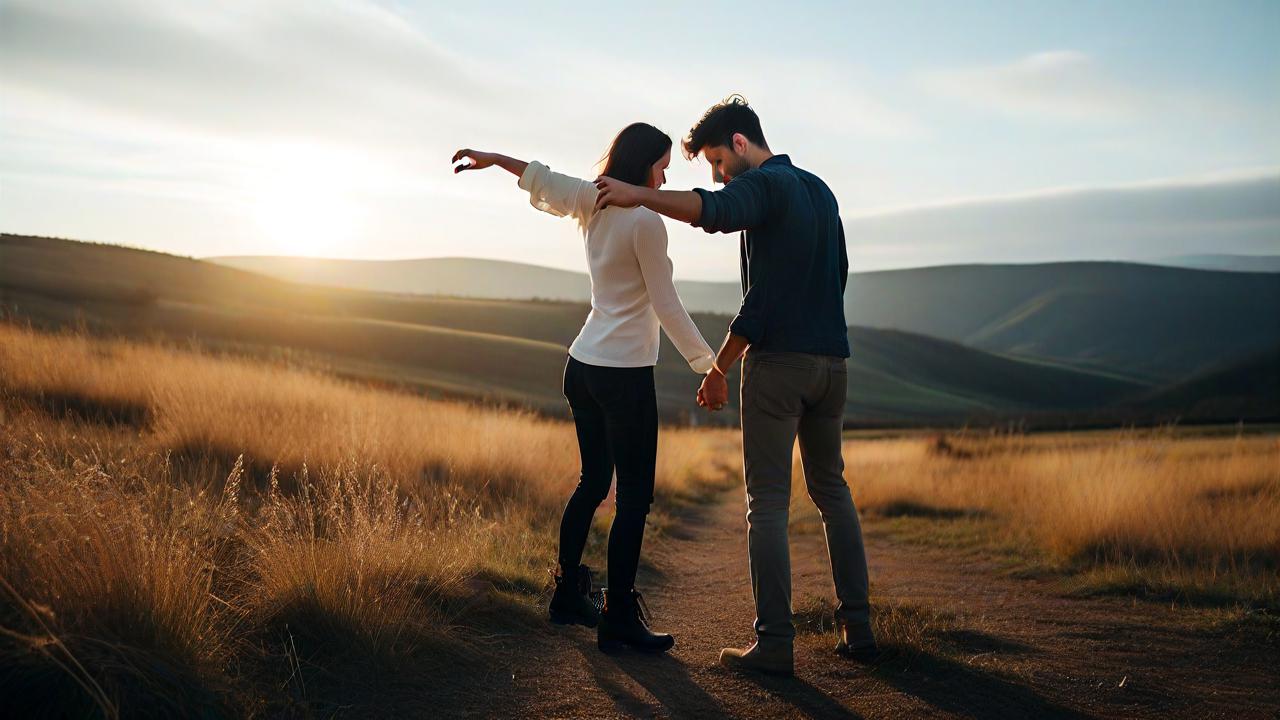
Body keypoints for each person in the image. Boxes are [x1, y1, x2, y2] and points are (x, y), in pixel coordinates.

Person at [594, 96, 877, 676]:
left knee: (767, 503)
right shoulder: (821, 191)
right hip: (834, 364)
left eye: (720, 160)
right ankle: (859, 626)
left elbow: (715, 214)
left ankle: (774, 642)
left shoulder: (768, 186)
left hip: (779, 369)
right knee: (832, 491)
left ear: (741, 144)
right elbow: (838, 274)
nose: (720, 174)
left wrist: (638, 193)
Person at [452, 123, 714, 654]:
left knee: (594, 482)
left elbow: (541, 178)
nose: (666, 175)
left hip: (582, 366)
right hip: (622, 376)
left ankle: (568, 594)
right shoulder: (645, 222)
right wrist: (708, 363)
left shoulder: (592, 200)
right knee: (634, 498)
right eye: (663, 165)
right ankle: (618, 617)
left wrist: (492, 157)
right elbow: (666, 304)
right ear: (643, 164)